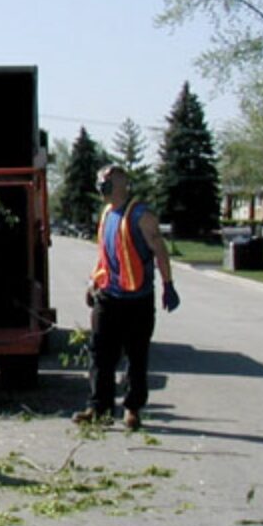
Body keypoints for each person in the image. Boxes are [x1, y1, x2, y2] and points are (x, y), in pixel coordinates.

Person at [73, 164, 180, 431]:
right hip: (108, 296)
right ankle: (99, 408)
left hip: (137, 300)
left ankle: (132, 409)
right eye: (99, 181)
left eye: (105, 181)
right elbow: (104, 255)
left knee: (136, 355)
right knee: (100, 354)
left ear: (120, 184)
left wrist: (168, 284)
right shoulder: (107, 213)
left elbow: (160, 250)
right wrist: (92, 282)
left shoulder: (141, 216)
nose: (100, 186)